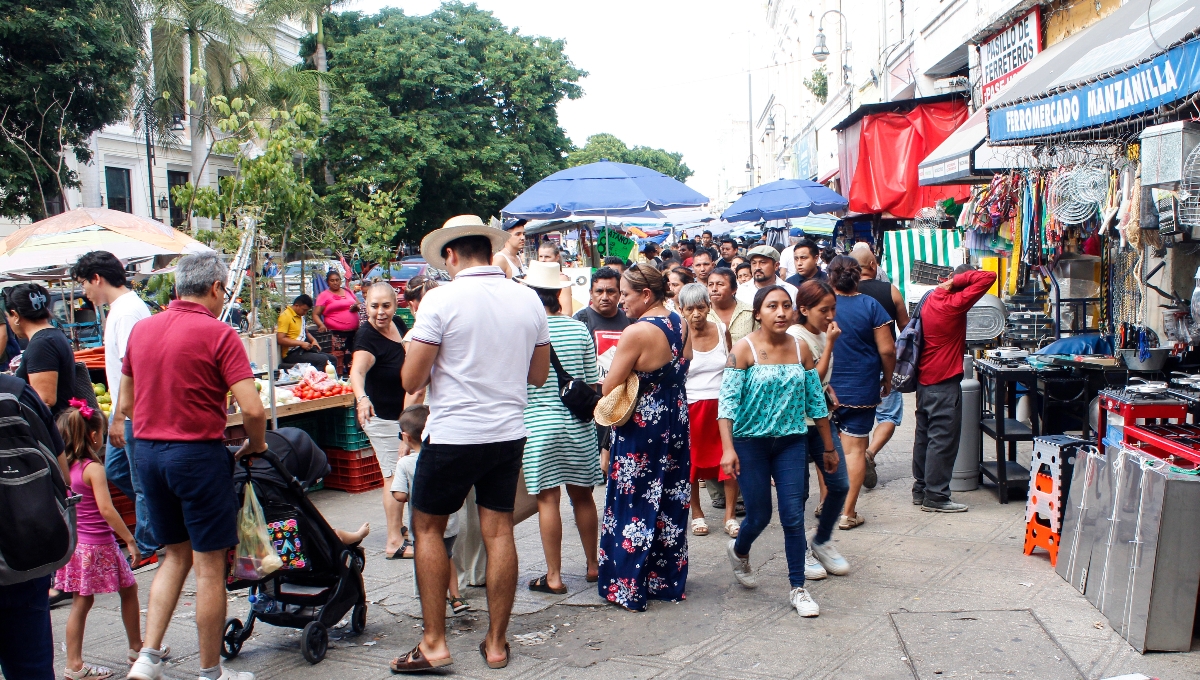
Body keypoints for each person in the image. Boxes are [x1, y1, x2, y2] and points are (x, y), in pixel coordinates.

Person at [395, 215, 550, 672]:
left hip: (454, 436)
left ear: (451, 255)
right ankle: (497, 643)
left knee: (426, 530)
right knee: (498, 531)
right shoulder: (527, 300)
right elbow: (537, 376)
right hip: (507, 433)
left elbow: (411, 378)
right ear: (487, 248)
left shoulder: (441, 300)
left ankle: (434, 643)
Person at [124, 252, 267, 680]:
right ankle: (210, 673)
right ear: (217, 289)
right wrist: (254, 445)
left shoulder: (141, 331)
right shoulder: (219, 334)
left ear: (176, 288)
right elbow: (253, 409)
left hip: (148, 454)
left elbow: (127, 403)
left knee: (173, 556)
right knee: (208, 568)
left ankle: (148, 658)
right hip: (197, 456)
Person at [718, 285, 838, 618]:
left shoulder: (801, 349)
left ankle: (798, 588)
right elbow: (726, 404)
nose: (782, 312)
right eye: (772, 306)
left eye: (787, 306)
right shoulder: (743, 351)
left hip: (791, 441)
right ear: (758, 313)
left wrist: (828, 447)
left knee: (792, 516)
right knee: (759, 515)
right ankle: (740, 549)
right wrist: (728, 449)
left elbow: (816, 401)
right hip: (750, 443)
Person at [598, 264, 692, 611]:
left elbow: (609, 386)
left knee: (634, 500)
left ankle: (628, 586)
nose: (621, 301)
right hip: (675, 419)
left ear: (646, 295)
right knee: (670, 498)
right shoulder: (679, 322)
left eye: (625, 294)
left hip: (643, 424)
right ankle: (664, 581)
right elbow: (688, 358)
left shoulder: (636, 332)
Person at [72, 250, 159, 569]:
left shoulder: (124, 313)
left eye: (84, 283)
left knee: (138, 481)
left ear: (97, 278)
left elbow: (131, 368)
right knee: (119, 471)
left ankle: (148, 543)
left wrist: (120, 415)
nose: (84, 291)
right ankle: (158, 520)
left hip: (134, 411)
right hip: (131, 410)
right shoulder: (124, 308)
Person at [519, 262, 602, 594]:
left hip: (538, 427)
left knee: (548, 501)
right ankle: (594, 565)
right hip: (577, 425)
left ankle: (553, 576)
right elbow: (591, 383)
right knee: (582, 497)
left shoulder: (523, 333)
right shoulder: (578, 329)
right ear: (557, 294)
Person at [55, 402, 146, 680]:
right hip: (99, 545)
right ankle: (135, 649)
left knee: (81, 602)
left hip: (76, 547)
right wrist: (130, 539)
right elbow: (107, 510)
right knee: (128, 589)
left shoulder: (64, 469)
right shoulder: (93, 468)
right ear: (94, 436)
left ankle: (75, 663)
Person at [913, 264, 997, 513]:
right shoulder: (953, 303)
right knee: (942, 440)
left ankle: (921, 489)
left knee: (924, 436)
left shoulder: (931, 296)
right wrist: (960, 281)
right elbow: (988, 277)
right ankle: (936, 496)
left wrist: (953, 281)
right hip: (943, 380)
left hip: (924, 380)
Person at [0, 371, 68, 680]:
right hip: (22, 558)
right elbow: (61, 476)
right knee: (31, 668)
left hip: (21, 564)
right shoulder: (15, 393)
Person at [825, 256, 895, 531]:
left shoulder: (822, 306)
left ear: (829, 275)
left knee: (826, 447)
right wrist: (887, 379)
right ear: (859, 276)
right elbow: (888, 350)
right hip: (861, 387)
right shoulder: (871, 305)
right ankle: (847, 512)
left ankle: (825, 504)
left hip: (824, 386)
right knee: (855, 451)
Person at [789, 280, 851, 581]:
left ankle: (822, 539)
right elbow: (814, 376)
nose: (830, 315)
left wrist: (830, 393)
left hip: (822, 420)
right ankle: (799, 548)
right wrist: (830, 344)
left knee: (839, 483)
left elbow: (821, 384)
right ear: (804, 310)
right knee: (797, 492)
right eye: (823, 310)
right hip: (796, 425)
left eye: (832, 309)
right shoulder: (797, 337)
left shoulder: (820, 332)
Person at [350, 282, 409, 559]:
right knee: (393, 477)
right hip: (381, 418)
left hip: (402, 416)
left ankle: (399, 529)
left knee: (401, 473)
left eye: (386, 305)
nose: (380, 312)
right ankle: (394, 542)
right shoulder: (366, 337)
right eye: (374, 306)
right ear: (366, 305)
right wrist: (362, 398)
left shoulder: (398, 323)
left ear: (395, 305)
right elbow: (357, 373)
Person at [390, 405, 468, 614]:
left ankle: (430, 602)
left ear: (405, 437)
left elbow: (399, 495)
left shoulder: (405, 463)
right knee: (447, 556)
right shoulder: (445, 458)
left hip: (423, 526)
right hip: (450, 522)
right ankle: (456, 596)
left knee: (426, 561)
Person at [679, 283, 738, 538]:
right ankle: (697, 513)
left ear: (708, 307)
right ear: (681, 310)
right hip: (692, 407)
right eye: (690, 309)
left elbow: (732, 367)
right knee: (691, 463)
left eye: (700, 308)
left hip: (722, 407)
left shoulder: (722, 329)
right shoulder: (678, 336)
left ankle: (730, 516)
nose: (696, 314)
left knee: (729, 461)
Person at [852, 247, 909, 490]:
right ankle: (871, 452)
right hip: (886, 363)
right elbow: (906, 328)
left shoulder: (845, 294)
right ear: (873, 264)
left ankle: (859, 457)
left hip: (855, 365)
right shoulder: (890, 291)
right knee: (888, 415)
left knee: (859, 416)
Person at [574, 267, 630, 474]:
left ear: (619, 294)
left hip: (623, 402)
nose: (605, 297)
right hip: (591, 405)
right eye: (599, 291)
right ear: (590, 293)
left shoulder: (630, 321)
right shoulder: (580, 321)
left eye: (611, 291)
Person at [6, 283, 74, 415]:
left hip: (52, 427)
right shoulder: (53, 335)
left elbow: (45, 400)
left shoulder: (42, 344)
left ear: (15, 315)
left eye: (8, 316)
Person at [313, 269, 360, 375]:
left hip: (353, 333)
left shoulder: (347, 291)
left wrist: (356, 307)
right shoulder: (324, 295)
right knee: (339, 359)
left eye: (337, 280)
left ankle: (353, 379)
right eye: (332, 280)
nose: (335, 283)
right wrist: (321, 324)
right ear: (327, 282)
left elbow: (359, 304)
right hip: (336, 334)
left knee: (354, 357)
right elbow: (315, 314)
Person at [276, 294, 337, 370]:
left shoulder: (300, 316)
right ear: (297, 305)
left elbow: (306, 332)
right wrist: (301, 343)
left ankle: (331, 380)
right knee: (322, 360)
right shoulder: (285, 316)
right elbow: (280, 339)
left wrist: (313, 340)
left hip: (302, 350)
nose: (305, 313)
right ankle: (316, 380)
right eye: (304, 310)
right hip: (291, 353)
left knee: (332, 359)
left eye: (307, 311)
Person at [707, 268, 756, 346]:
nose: (714, 289)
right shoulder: (702, 314)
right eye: (710, 285)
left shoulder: (750, 312)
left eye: (720, 284)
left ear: (734, 289)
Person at [537, 241, 574, 313]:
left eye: (547, 257)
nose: (543, 260)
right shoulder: (534, 276)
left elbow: (567, 312)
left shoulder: (562, 279)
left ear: (557, 257)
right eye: (540, 256)